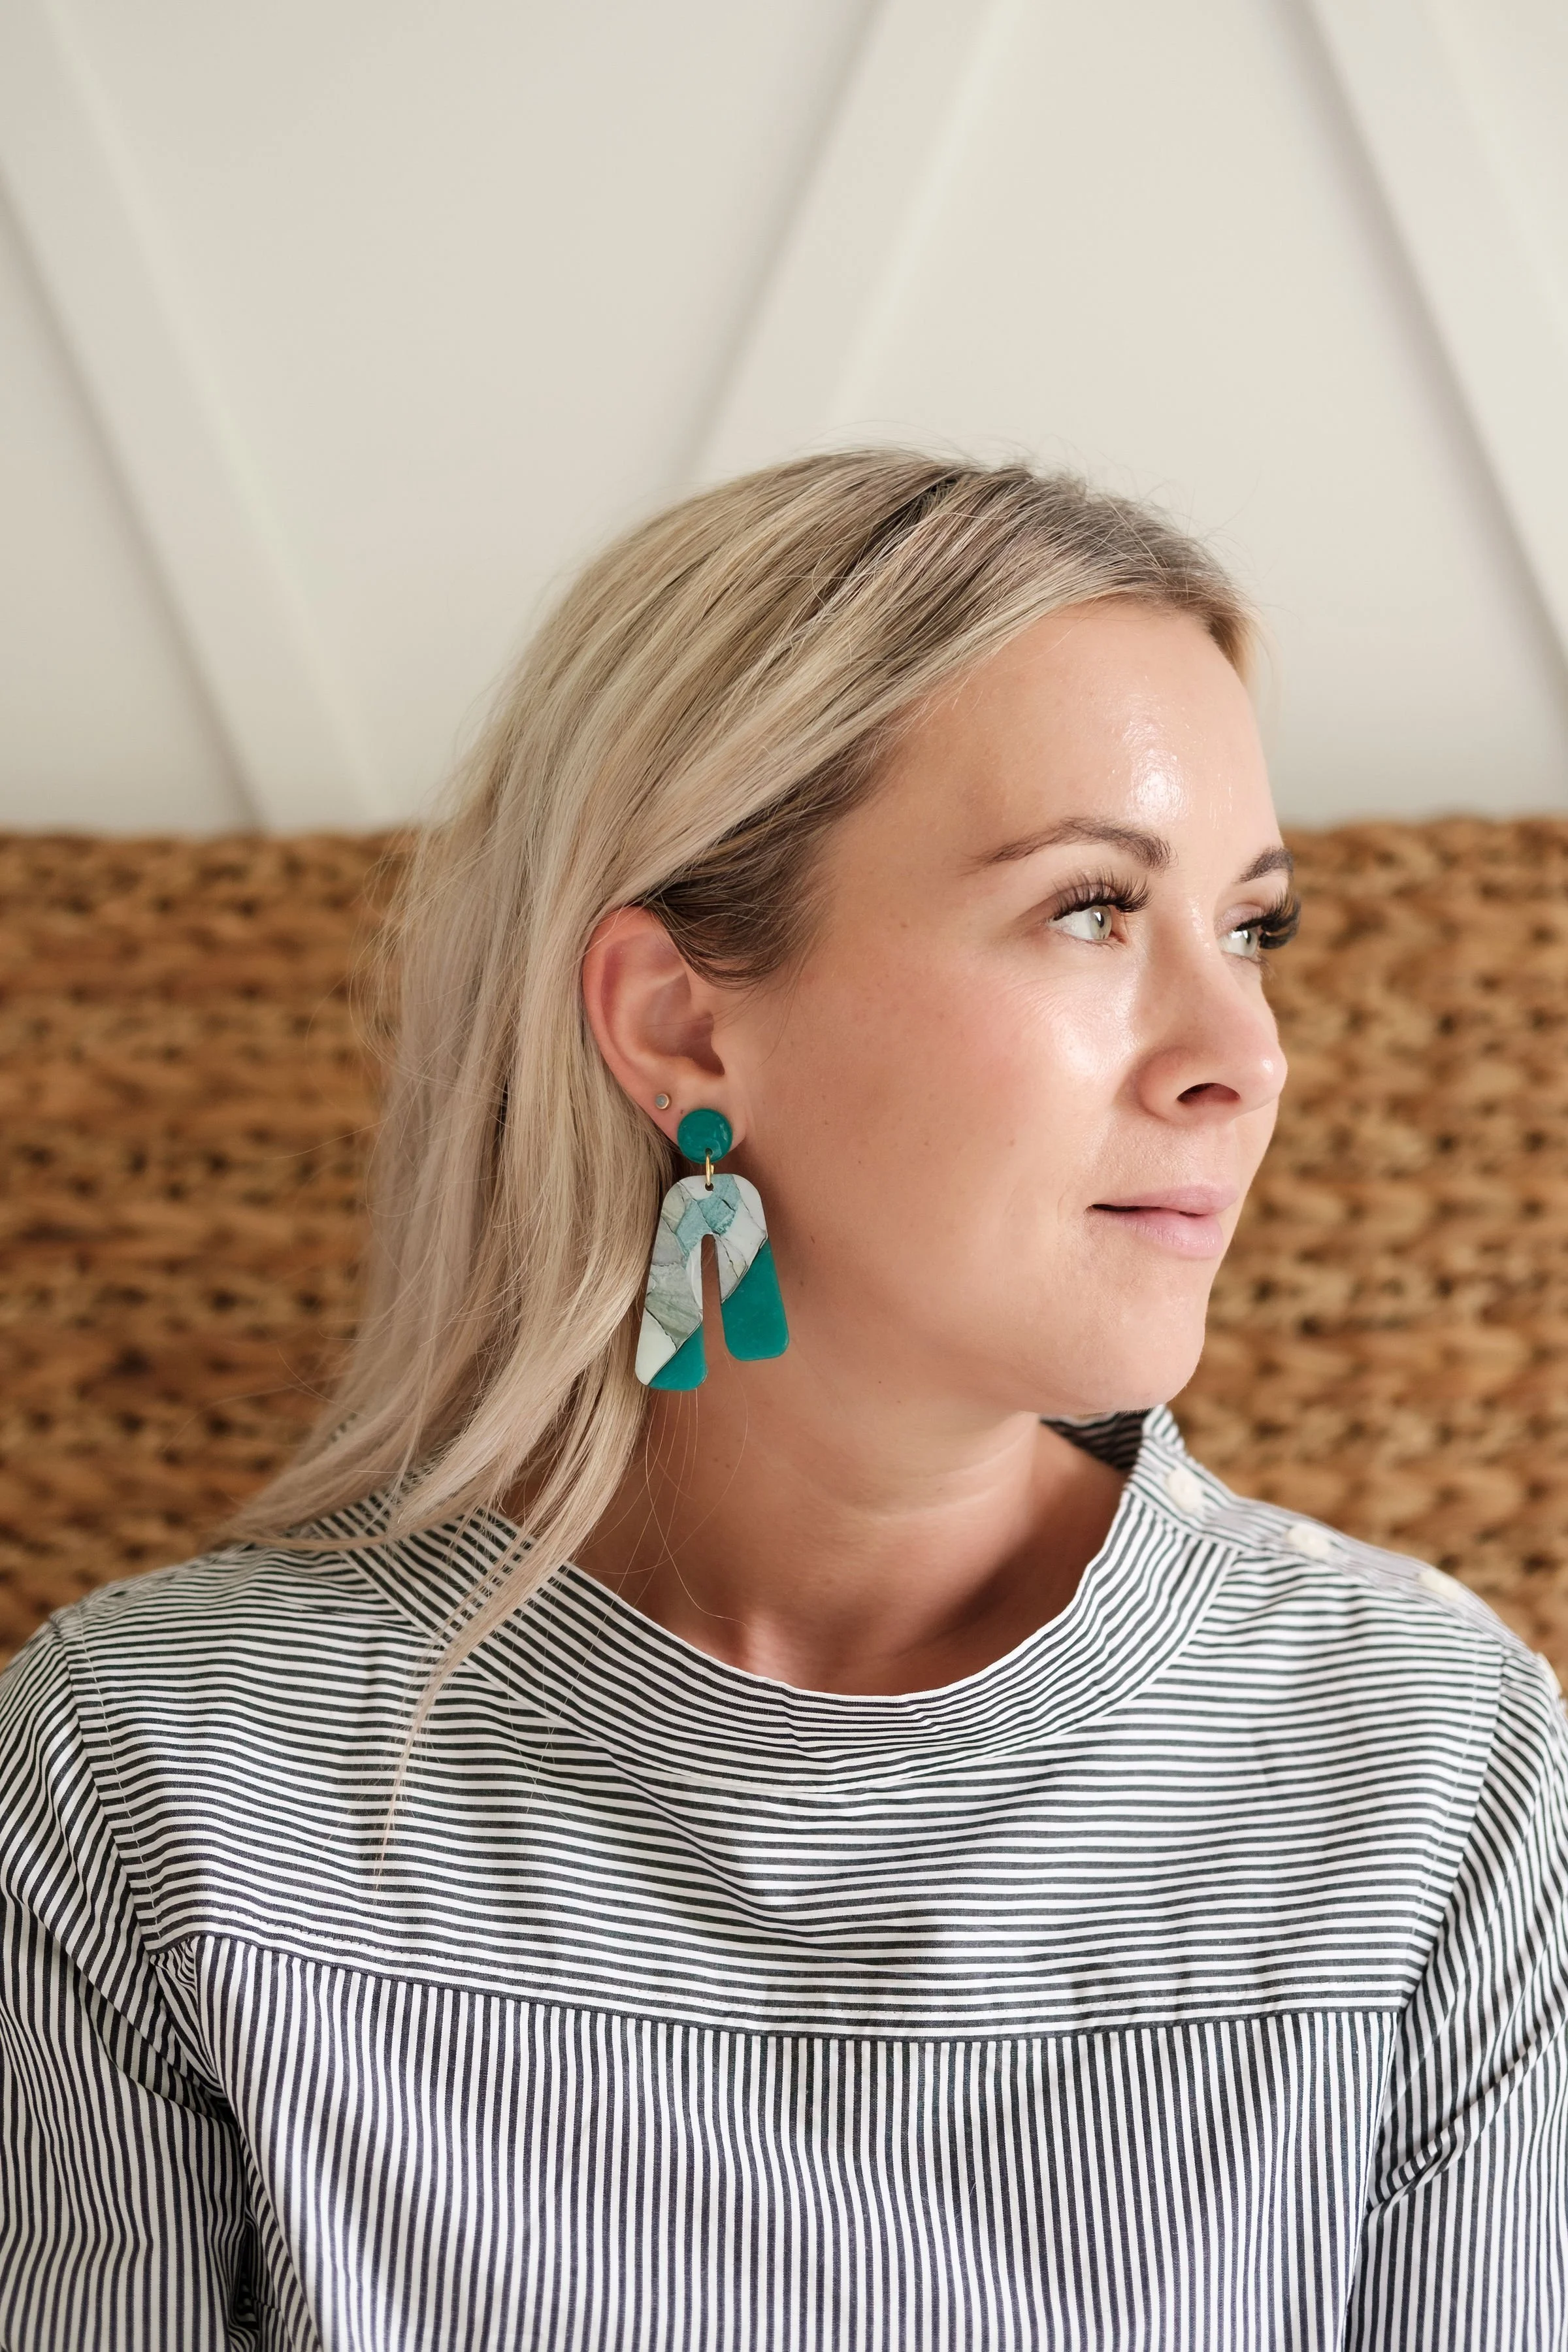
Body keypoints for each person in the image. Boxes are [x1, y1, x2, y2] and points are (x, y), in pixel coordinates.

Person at [2, 453, 1564, 2350]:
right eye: (1090, 910)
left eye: (1253, 928)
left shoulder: (1431, 1770)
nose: (1245, 1053)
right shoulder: (146, 1781)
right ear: (680, 1024)